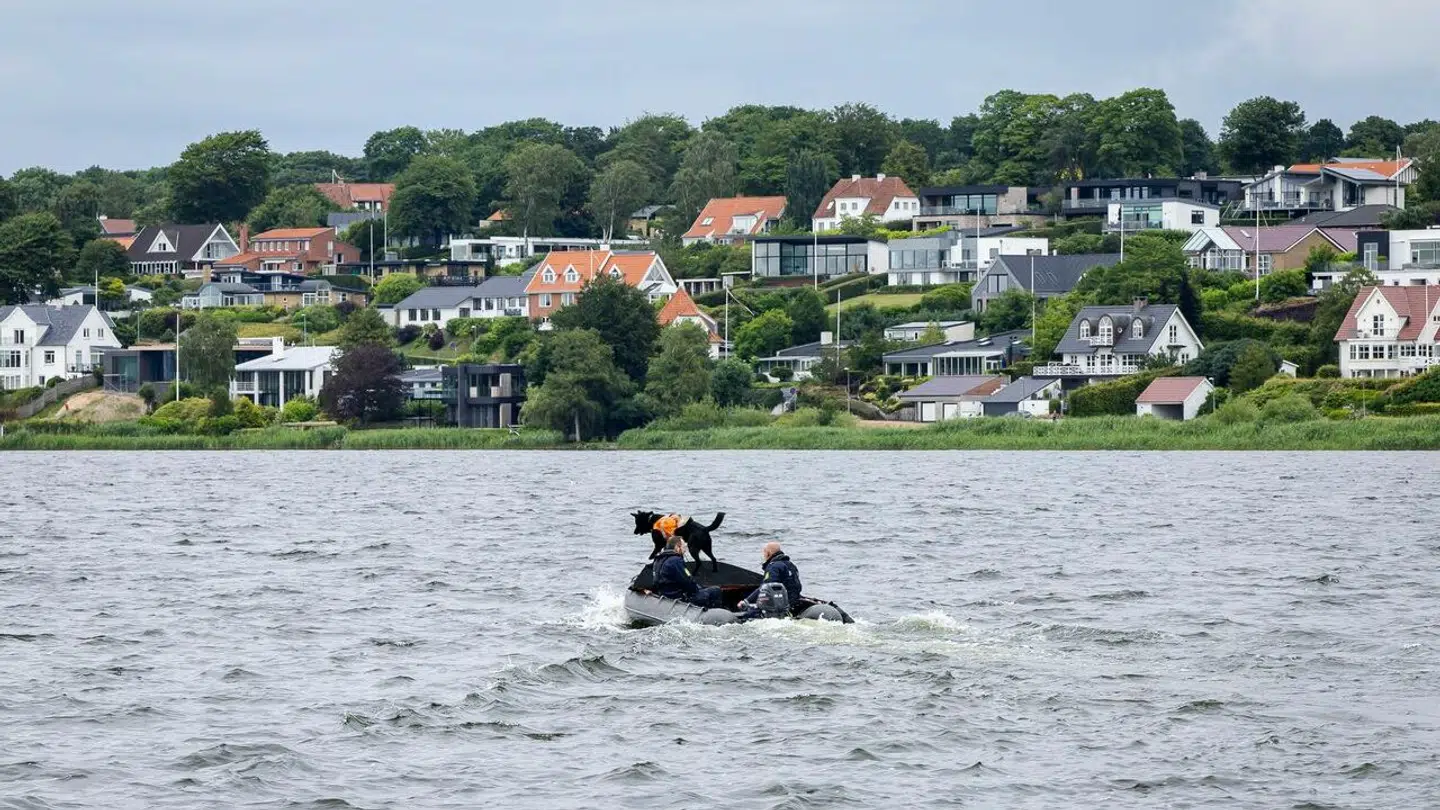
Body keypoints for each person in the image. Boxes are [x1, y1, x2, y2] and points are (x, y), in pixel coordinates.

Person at [650, 536, 721, 609]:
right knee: (716, 590)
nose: (685, 550)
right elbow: (688, 582)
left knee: (703, 589)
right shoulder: (676, 561)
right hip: (679, 597)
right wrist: (697, 590)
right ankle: (714, 613)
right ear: (677, 547)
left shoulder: (658, 560)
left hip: (665, 595)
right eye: (684, 547)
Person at [738, 542, 802, 614]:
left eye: (764, 552)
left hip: (782, 606)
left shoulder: (773, 567)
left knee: (747, 614)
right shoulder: (791, 565)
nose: (764, 555)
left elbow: (765, 587)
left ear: (768, 553)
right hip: (795, 602)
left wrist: (746, 601)